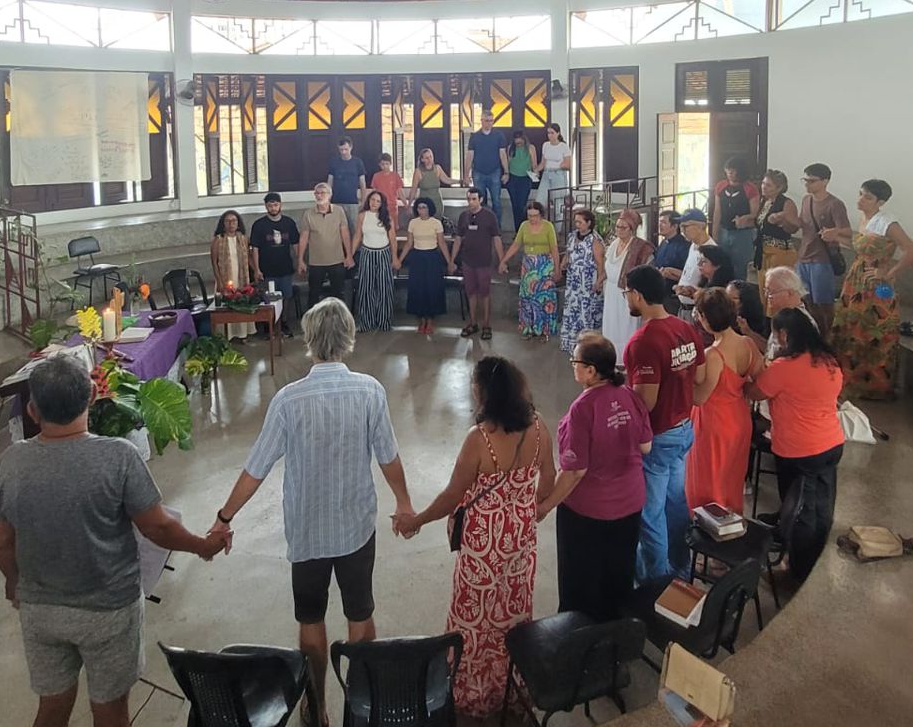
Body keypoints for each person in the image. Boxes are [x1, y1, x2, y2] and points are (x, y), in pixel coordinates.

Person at [0, 357, 229, 727]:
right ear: (92, 397)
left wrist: (14, 582)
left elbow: (3, 541)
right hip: (109, 609)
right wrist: (202, 546)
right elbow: (157, 528)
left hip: (41, 609)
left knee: (52, 706)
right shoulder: (117, 456)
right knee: (110, 710)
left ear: (33, 411)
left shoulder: (11, 462)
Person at [209, 299, 414, 723]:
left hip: (307, 531)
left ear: (309, 340)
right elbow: (388, 457)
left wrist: (225, 517)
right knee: (361, 614)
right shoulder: (370, 391)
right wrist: (404, 503)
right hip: (356, 527)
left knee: (310, 618)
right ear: (349, 338)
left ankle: (317, 706)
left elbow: (256, 468)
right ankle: (361, 705)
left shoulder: (288, 400)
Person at [394, 358, 552, 719]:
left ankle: (471, 689)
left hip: (484, 543)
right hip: (521, 535)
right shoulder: (540, 426)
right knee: (513, 608)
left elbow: (453, 495)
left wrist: (417, 520)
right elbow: (548, 480)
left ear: (483, 394)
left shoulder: (479, 440)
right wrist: (526, 507)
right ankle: (510, 681)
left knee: (475, 613)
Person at [537, 334, 652, 620]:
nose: (572, 365)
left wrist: (546, 505)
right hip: (630, 503)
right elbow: (645, 446)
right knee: (618, 575)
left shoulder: (583, 408)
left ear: (590, 370)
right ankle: (616, 632)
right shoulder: (629, 396)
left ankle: (579, 634)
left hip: (589, 512)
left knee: (580, 583)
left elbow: (575, 470)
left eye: (575, 361)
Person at [748, 308, 846, 582]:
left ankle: (795, 570)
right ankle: (813, 559)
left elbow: (755, 392)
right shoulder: (829, 361)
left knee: (800, 512)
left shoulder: (784, 368)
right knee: (822, 505)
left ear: (784, 334)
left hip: (800, 449)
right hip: (831, 443)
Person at [621, 265, 706, 584]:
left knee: (651, 513)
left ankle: (655, 583)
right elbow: (699, 376)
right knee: (676, 503)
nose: (627, 298)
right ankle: (680, 569)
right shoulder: (686, 329)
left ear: (637, 295)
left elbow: (646, 402)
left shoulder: (644, 341)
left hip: (658, 436)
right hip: (683, 427)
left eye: (627, 293)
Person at [824, 179, 913, 398]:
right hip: (857, 280)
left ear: (880, 202)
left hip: (878, 285)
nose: (861, 200)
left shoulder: (888, 222)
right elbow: (860, 246)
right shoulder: (864, 219)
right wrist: (835, 236)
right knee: (851, 327)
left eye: (867, 197)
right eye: (861, 194)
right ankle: (850, 379)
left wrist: (888, 273)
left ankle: (875, 385)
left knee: (875, 328)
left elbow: (912, 252)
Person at [687, 289, 759, 516]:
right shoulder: (748, 343)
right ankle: (731, 522)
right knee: (731, 478)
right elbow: (761, 377)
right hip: (739, 418)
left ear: (704, 318)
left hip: (714, 423)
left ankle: (707, 524)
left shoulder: (713, 355)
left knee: (708, 480)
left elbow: (699, 397)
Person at [797, 163, 850, 335]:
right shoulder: (806, 200)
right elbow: (802, 223)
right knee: (807, 301)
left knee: (824, 304)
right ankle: (815, 334)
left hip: (822, 258)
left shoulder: (835, 204)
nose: (807, 184)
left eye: (812, 181)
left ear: (825, 181)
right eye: (805, 180)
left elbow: (847, 230)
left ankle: (829, 337)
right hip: (803, 256)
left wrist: (834, 232)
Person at [499, 200, 560, 338]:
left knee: (544, 298)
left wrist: (557, 269)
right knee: (528, 297)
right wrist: (504, 260)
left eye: (535, 215)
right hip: (528, 267)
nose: (532, 218)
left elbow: (554, 249)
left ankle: (544, 329)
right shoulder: (524, 226)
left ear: (541, 215)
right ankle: (529, 328)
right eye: (530, 215)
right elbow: (516, 245)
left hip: (544, 266)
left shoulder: (548, 226)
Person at [601, 210, 655, 362]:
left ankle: (627, 360)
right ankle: (612, 359)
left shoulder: (640, 248)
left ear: (632, 229)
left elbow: (646, 272)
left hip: (627, 294)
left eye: (623, 227)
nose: (619, 230)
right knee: (611, 326)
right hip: (611, 292)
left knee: (626, 327)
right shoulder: (614, 244)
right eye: (617, 226)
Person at [452, 187, 505, 340]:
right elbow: (458, 239)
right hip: (468, 260)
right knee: (471, 292)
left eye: (474, 199)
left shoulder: (489, 216)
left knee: (485, 293)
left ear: (480, 199)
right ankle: (473, 322)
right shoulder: (463, 216)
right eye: (469, 199)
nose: (471, 202)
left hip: (484, 261)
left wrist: (502, 260)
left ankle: (486, 324)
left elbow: (496, 238)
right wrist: (451, 259)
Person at [250, 192, 300, 339]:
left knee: (286, 296)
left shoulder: (289, 223)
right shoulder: (259, 225)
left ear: (280, 205)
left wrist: (300, 261)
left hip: (285, 267)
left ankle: (283, 322)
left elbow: (295, 244)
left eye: (276, 205)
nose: (273, 208)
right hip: (267, 269)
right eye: (270, 205)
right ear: (266, 206)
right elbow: (255, 248)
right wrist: (257, 269)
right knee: (268, 298)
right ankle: (269, 325)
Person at [398, 197, 451, 335]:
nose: (422, 210)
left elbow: (442, 243)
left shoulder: (436, 223)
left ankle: (430, 320)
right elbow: (409, 243)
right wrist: (399, 259)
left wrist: (449, 261)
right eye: (419, 207)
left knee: (432, 288)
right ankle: (421, 320)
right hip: (417, 258)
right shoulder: (413, 223)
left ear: (429, 209)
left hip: (432, 258)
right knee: (418, 288)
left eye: (424, 207)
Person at [350, 189, 399, 333]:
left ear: (381, 204)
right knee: (366, 288)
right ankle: (366, 322)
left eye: (378, 201)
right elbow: (357, 236)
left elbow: (393, 239)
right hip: (367, 253)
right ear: (368, 201)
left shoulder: (387, 217)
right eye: (372, 200)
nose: (374, 203)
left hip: (383, 253)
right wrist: (350, 255)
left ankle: (384, 321)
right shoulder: (362, 216)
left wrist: (395, 257)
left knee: (384, 288)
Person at [298, 182, 353, 308]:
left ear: (329, 195)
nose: (319, 196)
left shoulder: (339, 211)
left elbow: (345, 234)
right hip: (316, 262)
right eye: (316, 193)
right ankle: (312, 319)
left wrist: (349, 255)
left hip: (337, 260)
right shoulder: (308, 214)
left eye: (322, 193)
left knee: (338, 294)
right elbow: (304, 237)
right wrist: (300, 260)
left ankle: (340, 318)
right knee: (314, 294)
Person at [558, 208, 606, 354]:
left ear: (589, 223)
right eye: (576, 222)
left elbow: (600, 263)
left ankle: (586, 346)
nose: (577, 224)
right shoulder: (572, 236)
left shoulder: (595, 240)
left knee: (586, 312)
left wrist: (599, 282)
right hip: (573, 281)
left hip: (588, 281)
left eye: (580, 222)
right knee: (572, 309)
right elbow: (568, 252)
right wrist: (563, 263)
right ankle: (571, 342)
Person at [753, 170, 802, 313]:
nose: (763, 187)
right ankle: (767, 321)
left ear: (779, 187)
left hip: (780, 252)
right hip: (763, 251)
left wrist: (783, 220)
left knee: (777, 290)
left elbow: (794, 227)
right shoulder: (764, 201)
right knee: (764, 291)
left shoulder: (786, 203)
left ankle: (779, 320)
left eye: (768, 185)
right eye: (763, 183)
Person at [712, 157, 760, 282]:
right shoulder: (721, 186)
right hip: (724, 230)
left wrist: (746, 218)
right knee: (722, 264)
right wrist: (714, 233)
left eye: (733, 171)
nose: (730, 174)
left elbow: (756, 213)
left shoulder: (750, 188)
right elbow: (717, 211)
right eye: (728, 171)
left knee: (740, 266)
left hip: (743, 233)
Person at [212, 210, 255, 341]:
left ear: (238, 223)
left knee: (242, 302)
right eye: (228, 221)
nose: (231, 224)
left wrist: (256, 270)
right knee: (228, 305)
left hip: (241, 276)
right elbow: (214, 262)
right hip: (225, 278)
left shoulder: (243, 238)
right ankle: (227, 336)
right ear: (223, 223)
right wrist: (219, 281)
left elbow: (248, 257)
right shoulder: (218, 240)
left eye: (234, 221)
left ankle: (242, 334)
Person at [759, 266, 815, 360]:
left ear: (790, 293)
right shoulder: (783, 316)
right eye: (766, 290)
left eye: (771, 292)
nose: (767, 296)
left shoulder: (800, 322)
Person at [464, 111, 508, 220]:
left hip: (495, 171)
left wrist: (506, 172)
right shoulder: (475, 137)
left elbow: (503, 154)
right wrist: (466, 175)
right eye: (487, 120)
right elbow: (469, 156)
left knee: (496, 201)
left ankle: (496, 227)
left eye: (491, 121)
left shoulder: (499, 135)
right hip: (478, 172)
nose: (489, 123)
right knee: (479, 202)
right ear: (481, 121)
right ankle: (482, 225)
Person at [672, 210, 713, 318]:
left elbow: (714, 287)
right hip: (683, 308)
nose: (682, 231)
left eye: (686, 226)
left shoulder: (712, 251)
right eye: (681, 227)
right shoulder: (693, 246)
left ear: (701, 226)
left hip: (698, 310)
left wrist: (692, 292)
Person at [653, 210, 691, 314]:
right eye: (659, 222)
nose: (660, 225)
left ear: (674, 226)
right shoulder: (663, 243)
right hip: (659, 294)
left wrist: (670, 272)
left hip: (674, 297)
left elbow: (688, 275)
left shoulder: (684, 246)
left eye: (664, 222)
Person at [534, 123, 571, 222]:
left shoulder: (564, 146)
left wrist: (557, 165)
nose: (550, 135)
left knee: (558, 205)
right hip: (546, 174)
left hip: (558, 175)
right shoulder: (545, 145)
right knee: (540, 202)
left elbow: (568, 165)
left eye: (552, 133)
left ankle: (557, 228)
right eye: (548, 133)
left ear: (558, 133)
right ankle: (542, 224)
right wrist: (536, 170)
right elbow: (543, 163)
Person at [327, 137, 367, 228]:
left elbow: (362, 183)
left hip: (352, 202)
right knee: (337, 226)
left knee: (354, 226)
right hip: (336, 201)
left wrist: (363, 200)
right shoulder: (334, 162)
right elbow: (329, 182)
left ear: (351, 147)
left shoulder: (357, 162)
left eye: (346, 149)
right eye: (341, 150)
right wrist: (327, 199)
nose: (343, 152)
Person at [408, 147, 456, 222]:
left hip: (437, 202)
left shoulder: (437, 168)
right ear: (422, 159)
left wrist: (461, 181)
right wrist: (409, 205)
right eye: (427, 158)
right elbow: (413, 189)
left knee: (437, 224)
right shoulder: (418, 171)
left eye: (431, 157)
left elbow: (447, 180)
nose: (430, 159)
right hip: (424, 204)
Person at [504, 130, 537, 231]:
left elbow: (534, 164)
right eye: (516, 141)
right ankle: (518, 230)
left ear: (524, 139)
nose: (518, 143)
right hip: (513, 179)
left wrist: (535, 174)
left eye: (520, 141)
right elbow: (508, 162)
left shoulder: (531, 148)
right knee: (515, 205)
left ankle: (524, 229)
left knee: (522, 205)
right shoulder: (510, 148)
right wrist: (506, 174)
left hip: (525, 179)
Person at [371, 153, 405, 225]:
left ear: (390, 164)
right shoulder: (376, 176)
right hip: (380, 207)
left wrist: (406, 204)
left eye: (387, 164)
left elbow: (400, 191)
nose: (385, 166)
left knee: (393, 227)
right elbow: (374, 193)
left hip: (392, 207)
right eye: (383, 164)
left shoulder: (395, 175)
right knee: (381, 226)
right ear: (379, 165)